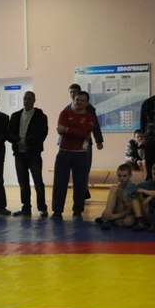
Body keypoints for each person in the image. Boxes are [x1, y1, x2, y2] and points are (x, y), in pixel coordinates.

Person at [51, 90, 100, 221]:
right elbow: (60, 130)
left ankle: (77, 211)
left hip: (81, 154)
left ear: (87, 103)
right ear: (73, 100)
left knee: (80, 184)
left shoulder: (90, 117)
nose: (79, 102)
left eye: (82, 100)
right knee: (59, 183)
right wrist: (73, 131)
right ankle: (57, 212)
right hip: (64, 153)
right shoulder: (64, 113)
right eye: (77, 99)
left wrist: (67, 130)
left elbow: (83, 133)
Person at [8, 91, 49, 217]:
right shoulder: (15, 116)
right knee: (23, 183)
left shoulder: (41, 116)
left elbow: (42, 134)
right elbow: (9, 133)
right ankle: (26, 207)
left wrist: (27, 141)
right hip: (19, 154)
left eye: (29, 99)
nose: (26, 101)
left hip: (33, 154)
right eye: (25, 98)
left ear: (34, 100)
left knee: (38, 182)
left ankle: (42, 208)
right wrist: (18, 142)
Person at [94, 163, 138, 230]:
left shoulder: (133, 188)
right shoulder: (116, 188)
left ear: (130, 175)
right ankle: (107, 219)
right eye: (119, 176)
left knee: (128, 222)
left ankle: (111, 220)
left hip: (126, 214)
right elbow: (110, 205)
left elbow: (130, 210)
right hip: (115, 213)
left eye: (124, 176)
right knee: (114, 188)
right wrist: (107, 213)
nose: (122, 178)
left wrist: (115, 216)